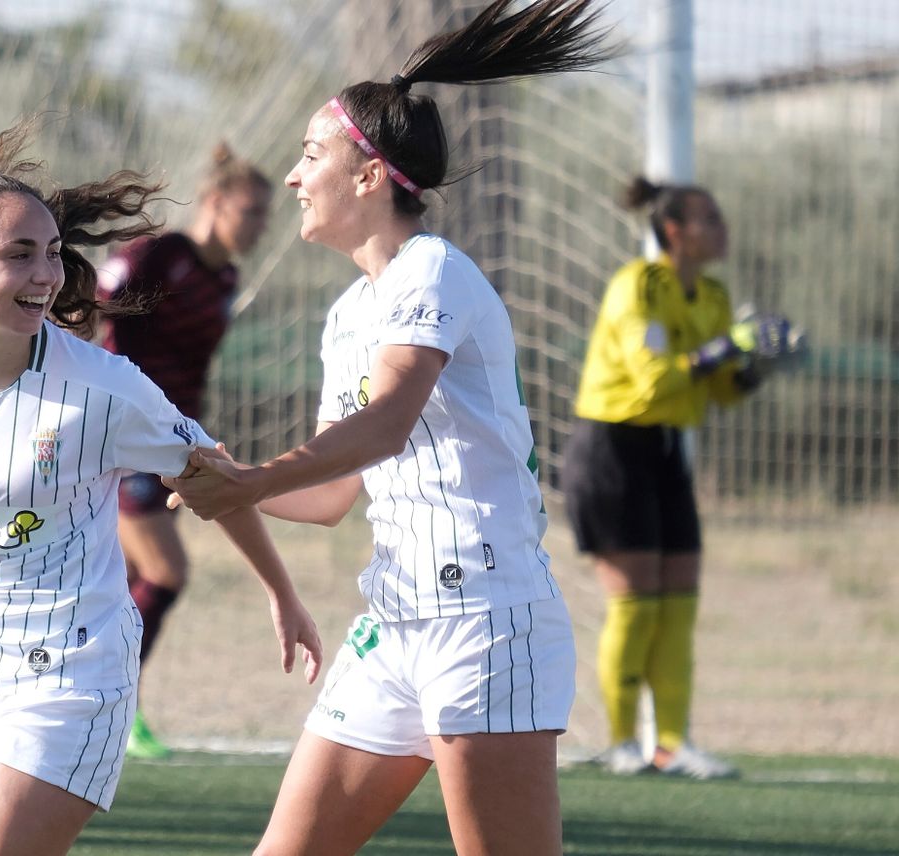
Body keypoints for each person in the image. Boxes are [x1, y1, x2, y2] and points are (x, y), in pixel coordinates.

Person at [164, 2, 613, 852]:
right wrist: (213, 476)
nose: (293, 179)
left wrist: (255, 481)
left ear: (368, 176)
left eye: (309, 156)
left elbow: (385, 424)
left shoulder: (433, 270)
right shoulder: (347, 315)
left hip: (486, 619)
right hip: (394, 620)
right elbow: (335, 490)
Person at [0, 121, 323, 856]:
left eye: (52, 253)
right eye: (20, 255)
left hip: (66, 677)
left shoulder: (105, 390)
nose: (47, 275)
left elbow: (213, 477)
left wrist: (283, 591)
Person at [564, 176, 799, 780]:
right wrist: (726, 348)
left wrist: (757, 365)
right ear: (675, 231)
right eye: (709, 218)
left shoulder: (714, 295)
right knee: (636, 605)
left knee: (678, 603)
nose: (722, 228)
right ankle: (621, 743)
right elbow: (654, 382)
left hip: (667, 451)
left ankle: (671, 744)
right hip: (612, 447)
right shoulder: (636, 286)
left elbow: (720, 392)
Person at [94, 142, 274, 760]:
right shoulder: (157, 256)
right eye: (250, 211)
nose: (258, 226)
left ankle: (98, 700)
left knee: (119, 579)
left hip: (174, 436)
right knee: (166, 572)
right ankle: (114, 704)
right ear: (216, 202)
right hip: (125, 436)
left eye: (264, 216)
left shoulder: (224, 276)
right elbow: (92, 317)